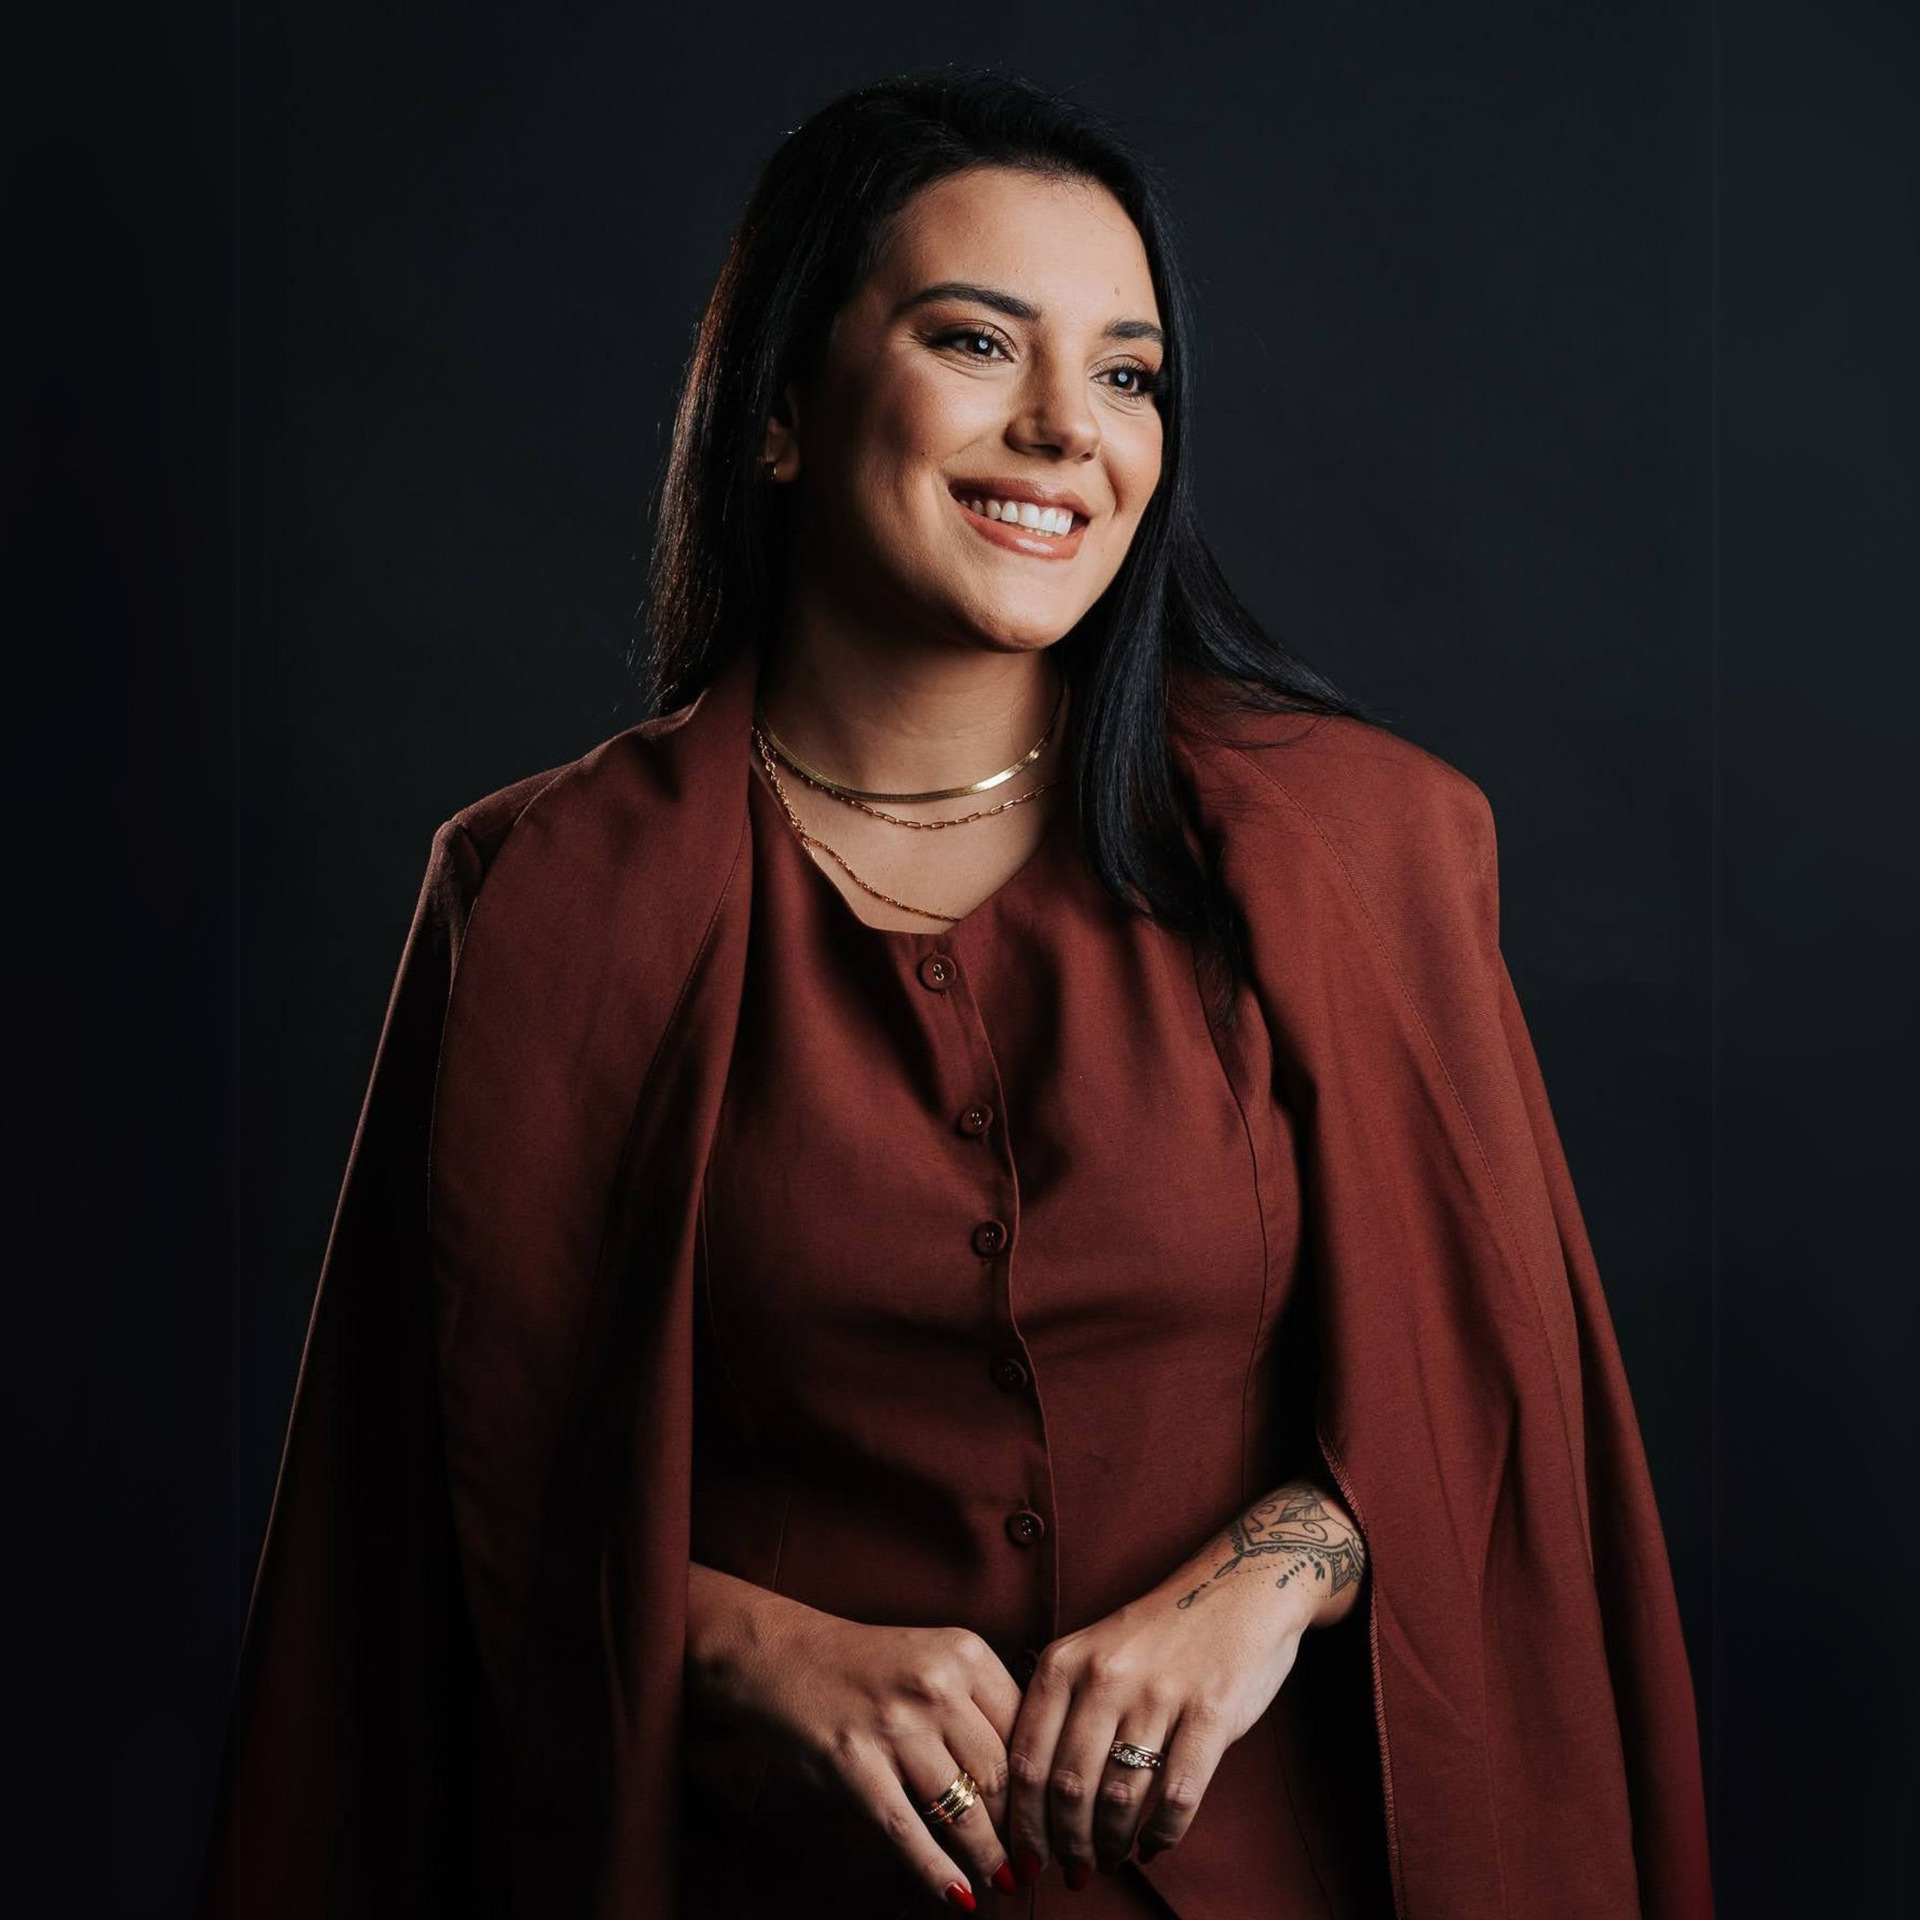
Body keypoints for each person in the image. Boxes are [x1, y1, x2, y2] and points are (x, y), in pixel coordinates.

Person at [200, 69, 1713, 1920]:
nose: (1068, 428)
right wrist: (734, 1644)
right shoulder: (536, 902)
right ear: (779, 409)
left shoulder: (1367, 849)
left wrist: (1275, 1573)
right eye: (978, 342)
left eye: (1130, 374)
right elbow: (402, 1547)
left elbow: (1505, 1407)